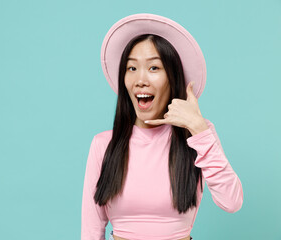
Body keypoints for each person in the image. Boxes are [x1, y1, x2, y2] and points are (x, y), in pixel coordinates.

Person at [81, 13, 243, 240]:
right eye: (131, 68)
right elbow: (91, 229)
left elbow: (231, 202)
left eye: (154, 68)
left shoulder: (198, 135)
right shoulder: (103, 144)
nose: (140, 80)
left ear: (172, 76)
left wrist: (198, 128)